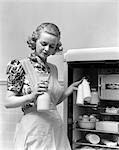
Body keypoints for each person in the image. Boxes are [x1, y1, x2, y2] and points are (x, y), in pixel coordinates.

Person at [5, 22, 83, 150]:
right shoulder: (19, 65)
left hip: (55, 128)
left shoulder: (53, 69)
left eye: (52, 46)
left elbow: (51, 103)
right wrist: (31, 96)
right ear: (35, 41)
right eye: (43, 44)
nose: (47, 49)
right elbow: (8, 102)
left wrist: (67, 91)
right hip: (34, 130)